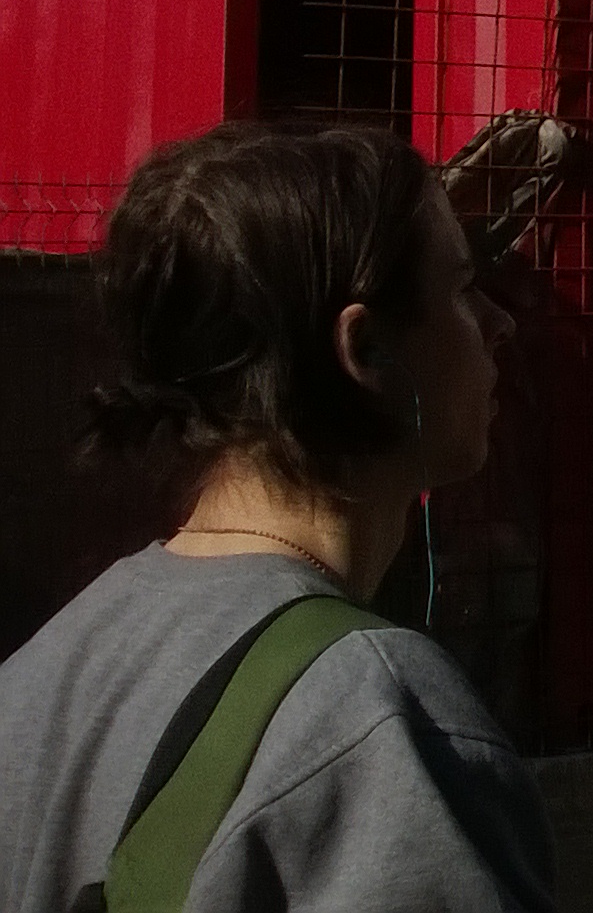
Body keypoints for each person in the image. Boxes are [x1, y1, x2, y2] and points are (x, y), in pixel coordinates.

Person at [0, 122, 549, 910]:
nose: (501, 322)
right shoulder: (376, 724)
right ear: (367, 352)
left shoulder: (44, 672)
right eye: (462, 289)